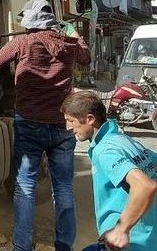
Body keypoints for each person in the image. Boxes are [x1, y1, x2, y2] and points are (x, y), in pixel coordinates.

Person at [0, 0, 91, 251]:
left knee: (24, 187)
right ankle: (64, 246)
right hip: (63, 126)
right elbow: (86, 56)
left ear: (29, 22)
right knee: (63, 188)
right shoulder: (69, 45)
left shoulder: (22, 42)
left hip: (29, 124)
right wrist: (74, 33)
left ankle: (22, 246)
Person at [61, 91, 157, 251]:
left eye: (71, 121)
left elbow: (145, 186)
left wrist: (121, 229)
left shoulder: (105, 151)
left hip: (129, 243)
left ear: (90, 119)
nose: (68, 128)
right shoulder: (123, 140)